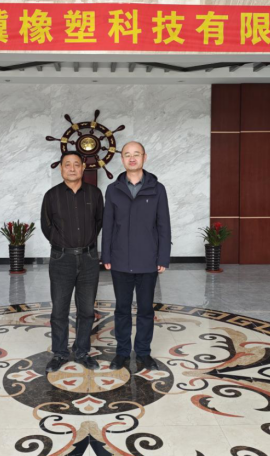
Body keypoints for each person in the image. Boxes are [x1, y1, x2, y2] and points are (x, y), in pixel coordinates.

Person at [102, 141, 171, 371]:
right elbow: (108, 225)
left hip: (148, 260)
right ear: (122, 159)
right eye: (127, 154)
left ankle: (143, 353)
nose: (132, 158)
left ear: (144, 157)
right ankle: (122, 352)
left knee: (145, 310)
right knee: (122, 310)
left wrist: (163, 257)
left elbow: (163, 225)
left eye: (136, 154)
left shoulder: (157, 188)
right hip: (120, 260)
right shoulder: (113, 189)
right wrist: (106, 255)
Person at [41, 151, 104, 373]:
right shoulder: (52, 195)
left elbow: (99, 222)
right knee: (59, 309)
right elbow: (46, 226)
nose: (72, 168)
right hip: (61, 259)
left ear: (83, 168)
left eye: (76, 164)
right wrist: (62, 243)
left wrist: (85, 242)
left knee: (86, 309)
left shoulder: (95, 194)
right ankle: (60, 353)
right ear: (61, 168)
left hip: (88, 258)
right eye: (67, 164)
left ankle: (82, 351)